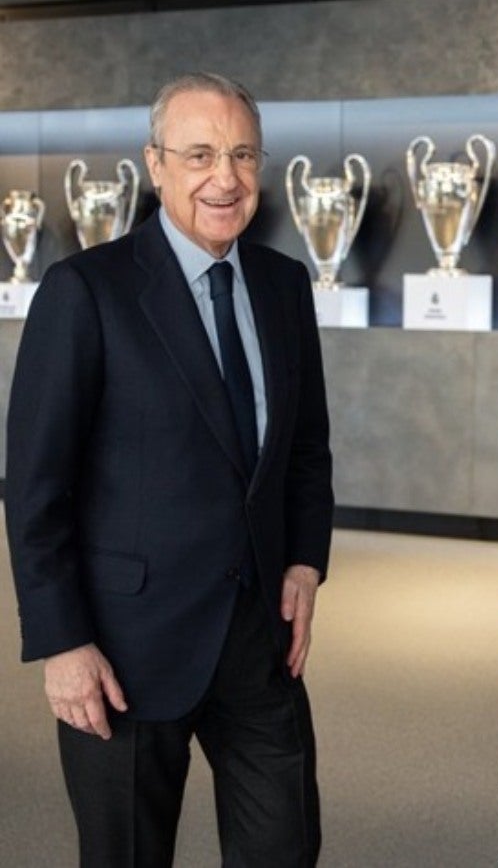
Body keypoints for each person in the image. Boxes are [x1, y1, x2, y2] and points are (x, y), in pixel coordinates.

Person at [5, 72, 334, 867]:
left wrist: (303, 560)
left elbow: (305, 446)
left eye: (243, 154)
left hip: (258, 640)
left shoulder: (284, 285)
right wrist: (63, 644)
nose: (226, 177)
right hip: (124, 653)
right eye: (199, 155)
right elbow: (36, 486)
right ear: (155, 164)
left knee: (286, 847)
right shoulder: (86, 291)